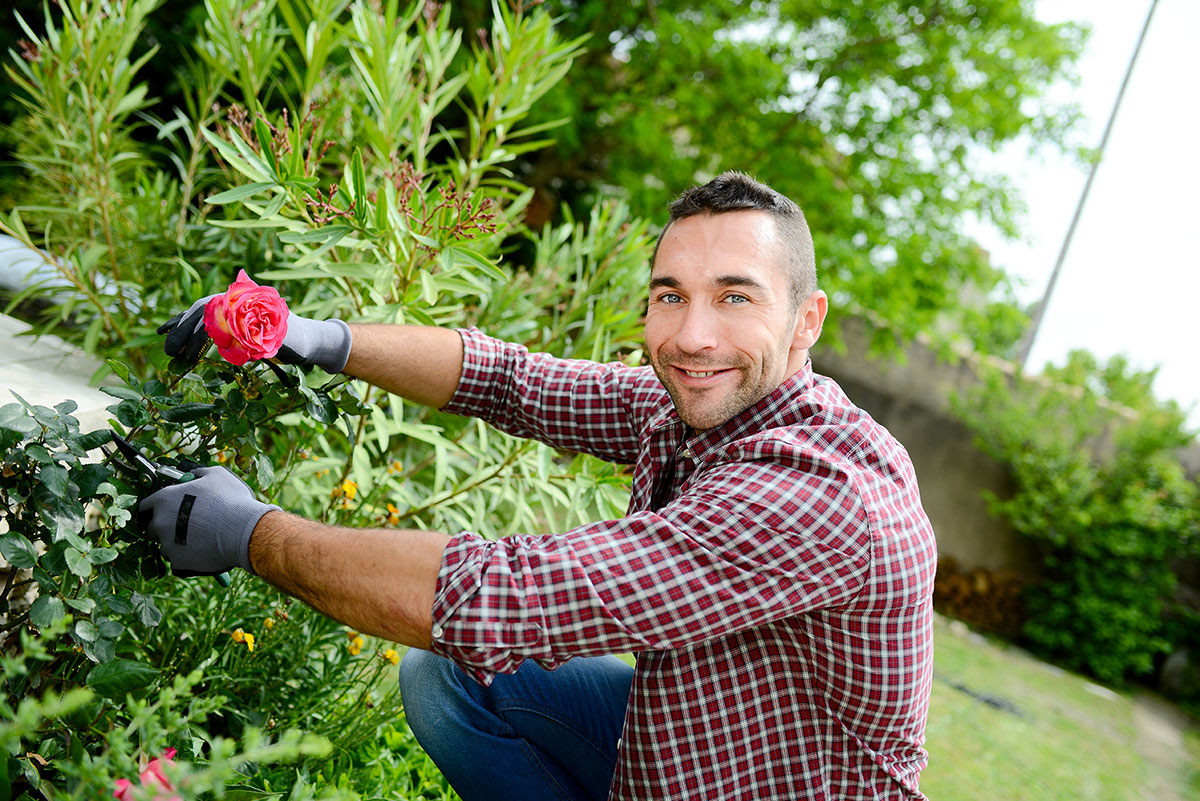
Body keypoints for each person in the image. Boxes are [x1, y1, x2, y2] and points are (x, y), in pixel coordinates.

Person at [143, 171, 937, 801]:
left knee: (471, 638)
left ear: (807, 320)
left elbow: (507, 597)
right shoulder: (703, 406)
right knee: (448, 676)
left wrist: (250, 533)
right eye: (670, 296)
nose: (692, 334)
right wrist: (314, 337)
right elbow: (511, 380)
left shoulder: (818, 491)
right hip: (686, 756)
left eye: (735, 296)